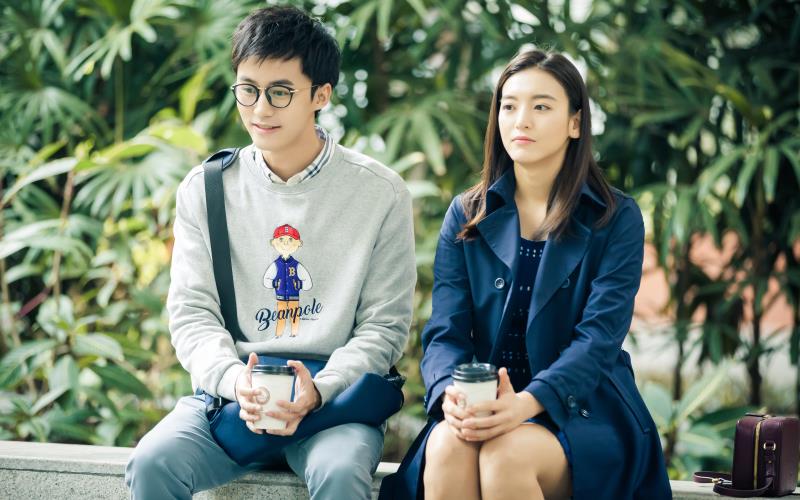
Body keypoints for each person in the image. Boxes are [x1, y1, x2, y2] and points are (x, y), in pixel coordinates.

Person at [125, 6, 416, 500]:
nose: (260, 109)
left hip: (334, 402)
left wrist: (321, 388)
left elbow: (384, 327)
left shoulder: (380, 193)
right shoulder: (207, 188)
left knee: (341, 473)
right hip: (233, 399)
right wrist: (235, 380)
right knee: (153, 463)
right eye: (248, 90)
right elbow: (192, 314)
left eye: (280, 92)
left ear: (321, 95)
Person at [382, 49, 671, 499]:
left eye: (541, 106)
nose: (521, 120)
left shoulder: (615, 218)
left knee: (505, 454)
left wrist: (526, 404)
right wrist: (452, 396)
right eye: (509, 106)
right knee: (446, 446)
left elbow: (598, 340)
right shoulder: (467, 213)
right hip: (483, 402)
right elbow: (444, 333)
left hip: (582, 409)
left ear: (575, 123)